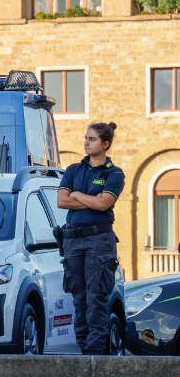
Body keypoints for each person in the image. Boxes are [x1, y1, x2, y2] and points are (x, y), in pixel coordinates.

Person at [56, 122, 125, 355]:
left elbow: (104, 203)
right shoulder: (73, 170)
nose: (86, 142)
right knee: (79, 296)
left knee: (97, 296)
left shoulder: (114, 173)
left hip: (99, 240)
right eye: (86, 138)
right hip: (73, 240)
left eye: (92, 139)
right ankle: (83, 347)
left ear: (105, 144)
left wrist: (76, 194)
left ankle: (95, 351)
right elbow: (61, 201)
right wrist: (89, 198)